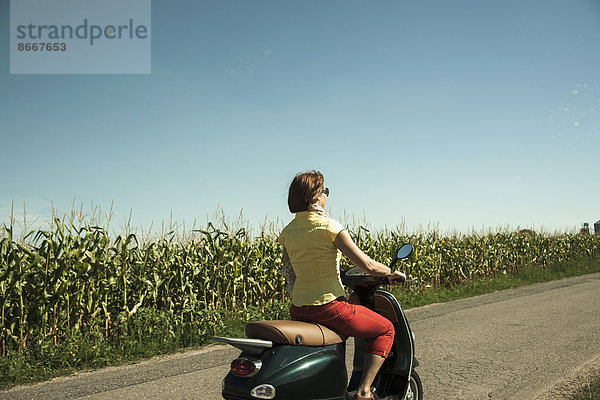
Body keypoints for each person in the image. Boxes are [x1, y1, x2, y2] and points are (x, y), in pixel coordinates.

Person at [278, 170, 406, 400]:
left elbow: (291, 272)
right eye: (325, 191)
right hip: (329, 308)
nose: (327, 195)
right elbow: (367, 264)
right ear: (314, 197)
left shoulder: (287, 232)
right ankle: (364, 390)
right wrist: (390, 272)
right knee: (386, 329)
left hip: (298, 309)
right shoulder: (329, 227)